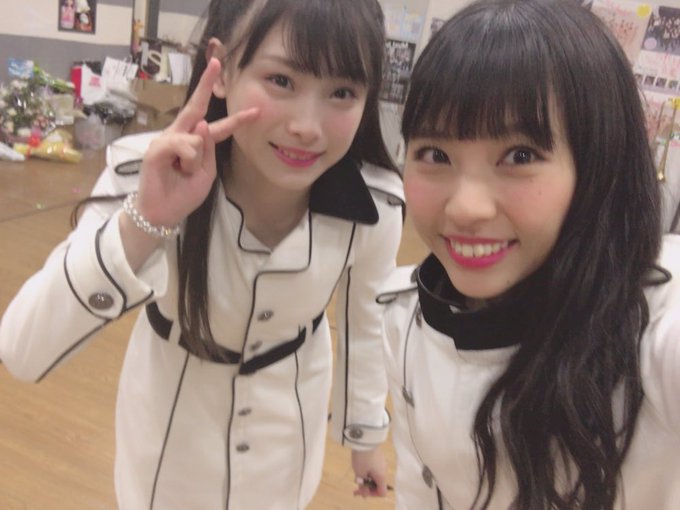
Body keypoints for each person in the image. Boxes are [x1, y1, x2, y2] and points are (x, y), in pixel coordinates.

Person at [0, 0, 404, 508]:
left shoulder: (376, 205)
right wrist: (145, 220)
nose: (308, 126)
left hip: (289, 431)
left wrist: (365, 438)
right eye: (281, 80)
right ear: (222, 69)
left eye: (342, 92)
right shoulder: (146, 171)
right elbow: (23, 350)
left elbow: (365, 327)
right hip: (171, 432)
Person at [380, 0, 680, 508]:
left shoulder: (653, 334)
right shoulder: (405, 314)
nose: (466, 208)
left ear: (598, 164)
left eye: (520, 156)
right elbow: (418, 482)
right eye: (436, 154)